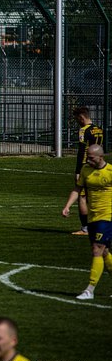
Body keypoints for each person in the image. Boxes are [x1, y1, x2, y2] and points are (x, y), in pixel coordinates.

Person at [63, 144, 112, 300]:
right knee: (104, 252)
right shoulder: (86, 170)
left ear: (101, 157)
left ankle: (89, 290)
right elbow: (77, 189)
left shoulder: (110, 171)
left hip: (108, 216)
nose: (88, 161)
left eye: (91, 158)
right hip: (93, 217)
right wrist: (67, 206)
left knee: (97, 249)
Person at [60, 106, 104, 236]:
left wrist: (78, 170)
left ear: (81, 117)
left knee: (82, 197)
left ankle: (85, 228)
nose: (77, 121)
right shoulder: (98, 129)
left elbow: (82, 151)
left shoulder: (83, 130)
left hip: (86, 165)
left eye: (77, 119)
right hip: (98, 164)